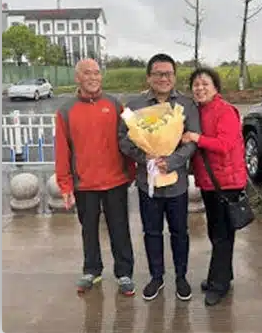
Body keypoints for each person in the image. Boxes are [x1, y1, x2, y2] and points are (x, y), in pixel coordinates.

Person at [119, 53, 201, 301]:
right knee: (152, 232)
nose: (164, 78)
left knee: (180, 232)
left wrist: (172, 161)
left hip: (176, 184)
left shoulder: (187, 105)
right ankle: (157, 277)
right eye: (158, 74)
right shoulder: (135, 105)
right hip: (148, 184)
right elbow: (123, 139)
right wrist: (149, 159)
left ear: (174, 77)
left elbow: (193, 139)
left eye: (168, 74)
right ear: (149, 77)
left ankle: (181, 277)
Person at [55, 58, 136, 295]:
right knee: (88, 229)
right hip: (84, 183)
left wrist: (131, 172)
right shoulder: (66, 111)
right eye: (87, 73)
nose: (93, 77)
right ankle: (92, 270)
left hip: (116, 181)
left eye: (97, 73)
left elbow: (130, 139)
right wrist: (65, 185)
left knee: (119, 228)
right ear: (77, 78)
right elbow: (62, 150)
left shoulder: (114, 104)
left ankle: (124, 273)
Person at [182, 67, 248, 306]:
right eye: (196, 85)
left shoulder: (225, 111)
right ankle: (224, 275)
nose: (199, 88)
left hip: (226, 183)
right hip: (211, 183)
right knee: (217, 233)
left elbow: (225, 144)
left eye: (205, 84)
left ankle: (218, 285)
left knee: (221, 235)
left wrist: (195, 138)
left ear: (215, 88)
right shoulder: (199, 110)